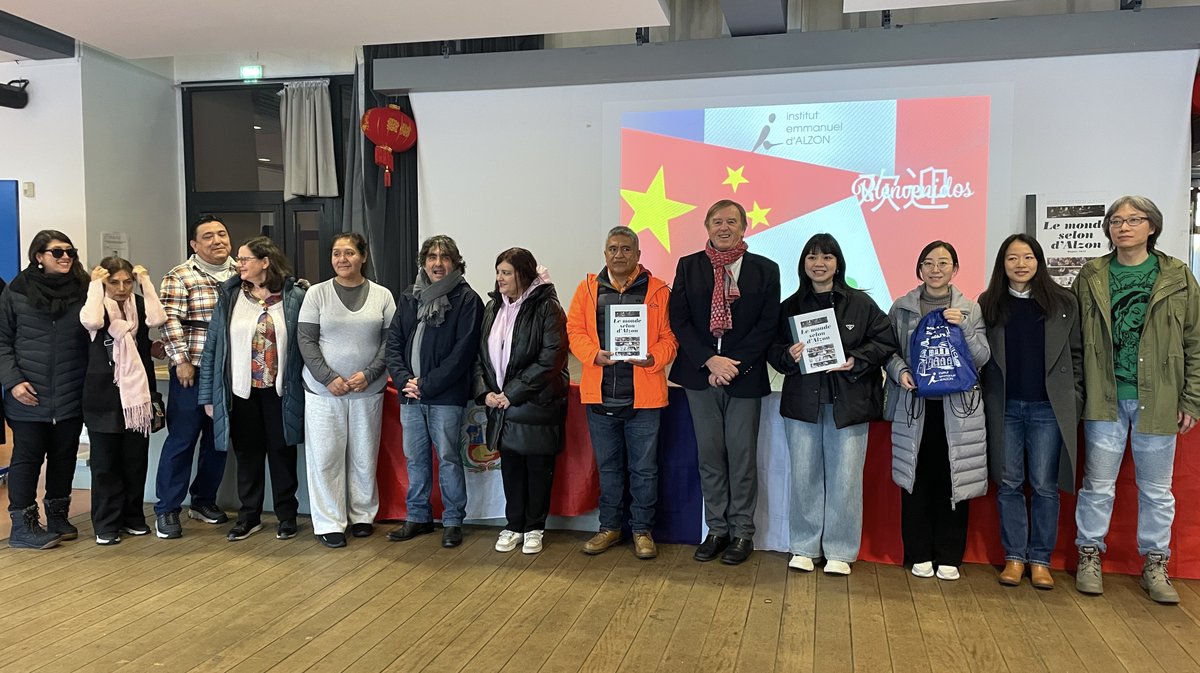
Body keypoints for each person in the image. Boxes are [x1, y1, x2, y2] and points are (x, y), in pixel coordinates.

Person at [1073, 195, 1200, 604]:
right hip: (1104, 398)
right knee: (1097, 485)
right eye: (1116, 220)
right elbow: (1072, 339)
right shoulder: (1091, 274)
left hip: (1159, 400)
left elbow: (1195, 341)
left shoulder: (1178, 276)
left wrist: (1192, 398)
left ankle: (1155, 563)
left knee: (1157, 489)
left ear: (1152, 227)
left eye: (1134, 219)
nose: (1123, 226)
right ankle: (1089, 554)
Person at [767, 233, 896, 575]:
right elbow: (772, 351)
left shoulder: (861, 304)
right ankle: (804, 547)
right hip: (802, 405)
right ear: (803, 264)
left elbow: (886, 340)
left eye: (826, 257)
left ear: (838, 263)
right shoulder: (790, 307)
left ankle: (840, 550)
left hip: (849, 404)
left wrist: (855, 359)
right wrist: (788, 356)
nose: (819, 264)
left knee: (846, 479)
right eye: (812, 257)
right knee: (804, 477)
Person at [668, 200, 780, 566]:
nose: (724, 227)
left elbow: (767, 325)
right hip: (700, 377)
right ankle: (716, 529)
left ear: (744, 227)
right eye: (717, 221)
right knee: (710, 457)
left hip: (743, 378)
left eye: (732, 221)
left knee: (742, 458)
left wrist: (733, 365)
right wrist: (709, 360)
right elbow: (679, 320)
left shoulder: (766, 269)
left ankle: (742, 533)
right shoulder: (689, 266)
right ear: (707, 225)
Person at [566, 226, 678, 560]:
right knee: (609, 467)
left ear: (638, 255)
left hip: (644, 399)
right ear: (605, 254)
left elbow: (671, 337)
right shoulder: (587, 289)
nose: (619, 254)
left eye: (626, 249)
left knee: (644, 470)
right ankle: (609, 528)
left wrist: (653, 357)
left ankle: (642, 531)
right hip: (600, 397)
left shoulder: (658, 291)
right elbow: (574, 330)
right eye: (613, 248)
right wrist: (592, 355)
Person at [979, 234, 1082, 589]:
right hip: (1004, 406)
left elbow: (1077, 356)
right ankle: (1014, 558)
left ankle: (1040, 560)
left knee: (1044, 486)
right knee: (1009, 485)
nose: (1020, 264)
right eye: (1012, 258)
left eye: (1027, 257)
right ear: (1002, 264)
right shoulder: (989, 303)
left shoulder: (1062, 302)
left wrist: (1075, 399)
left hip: (1047, 408)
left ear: (1039, 261)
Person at [885, 240, 990, 581]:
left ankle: (949, 553)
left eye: (943, 263)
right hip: (916, 408)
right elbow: (888, 351)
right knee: (916, 479)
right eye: (928, 263)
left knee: (953, 479)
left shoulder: (970, 309)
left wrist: (965, 328)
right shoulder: (901, 308)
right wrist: (900, 371)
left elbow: (981, 358)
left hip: (957, 411)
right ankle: (918, 552)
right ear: (919, 269)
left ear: (955, 269)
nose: (935, 269)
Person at [198, 236, 306, 542]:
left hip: (281, 392)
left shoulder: (294, 295)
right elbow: (213, 349)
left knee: (282, 454)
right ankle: (249, 517)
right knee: (247, 455)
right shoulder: (231, 296)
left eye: (245, 259)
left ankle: (287, 516)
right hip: (241, 393)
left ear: (265, 262)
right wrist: (209, 397)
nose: (238, 264)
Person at [298, 233, 397, 549]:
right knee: (325, 457)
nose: (342, 259)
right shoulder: (317, 294)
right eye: (336, 253)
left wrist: (369, 374)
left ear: (363, 257)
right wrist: (328, 378)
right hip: (323, 392)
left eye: (350, 252)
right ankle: (330, 522)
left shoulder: (382, 296)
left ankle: (362, 517)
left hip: (368, 390)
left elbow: (390, 343)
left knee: (364, 456)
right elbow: (306, 341)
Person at [385, 235, 482, 549]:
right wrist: (404, 381)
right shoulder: (409, 297)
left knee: (449, 459)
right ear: (423, 262)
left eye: (444, 257)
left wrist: (426, 384)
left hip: (445, 397)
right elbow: (394, 345)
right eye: (432, 257)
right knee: (415, 460)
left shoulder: (467, 300)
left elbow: (463, 353)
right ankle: (418, 517)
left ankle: (453, 520)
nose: (437, 263)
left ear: (455, 263)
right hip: (411, 395)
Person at [473, 248, 568, 555]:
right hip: (501, 404)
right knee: (511, 467)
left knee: (538, 468)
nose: (499, 278)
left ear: (523, 275)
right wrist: (485, 392)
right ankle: (513, 525)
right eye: (498, 272)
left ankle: (535, 527)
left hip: (536, 403)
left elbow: (551, 359)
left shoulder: (548, 307)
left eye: (506, 273)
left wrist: (511, 394)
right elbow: (480, 356)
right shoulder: (492, 306)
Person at [0, 230, 89, 549]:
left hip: (71, 389)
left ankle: (57, 516)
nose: (66, 256)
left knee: (65, 455)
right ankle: (22, 527)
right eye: (57, 252)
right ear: (38, 256)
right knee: (27, 457)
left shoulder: (85, 288)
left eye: (70, 251)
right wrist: (13, 382)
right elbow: (2, 342)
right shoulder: (17, 291)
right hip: (27, 392)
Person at [154, 215, 237, 538]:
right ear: (194, 245)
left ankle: (203, 500)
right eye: (208, 236)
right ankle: (167, 509)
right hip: (193, 368)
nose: (217, 240)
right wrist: (181, 360)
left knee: (218, 440)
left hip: (228, 371)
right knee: (183, 439)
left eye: (222, 233)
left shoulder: (241, 271)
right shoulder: (180, 276)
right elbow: (170, 320)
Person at [80, 257, 167, 545]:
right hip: (102, 393)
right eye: (113, 282)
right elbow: (92, 321)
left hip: (137, 395)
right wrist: (95, 284)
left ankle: (132, 517)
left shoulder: (138, 305)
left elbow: (158, 319)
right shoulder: (93, 305)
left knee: (134, 459)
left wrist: (146, 283)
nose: (121, 288)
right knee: (105, 463)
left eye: (127, 282)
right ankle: (106, 523)